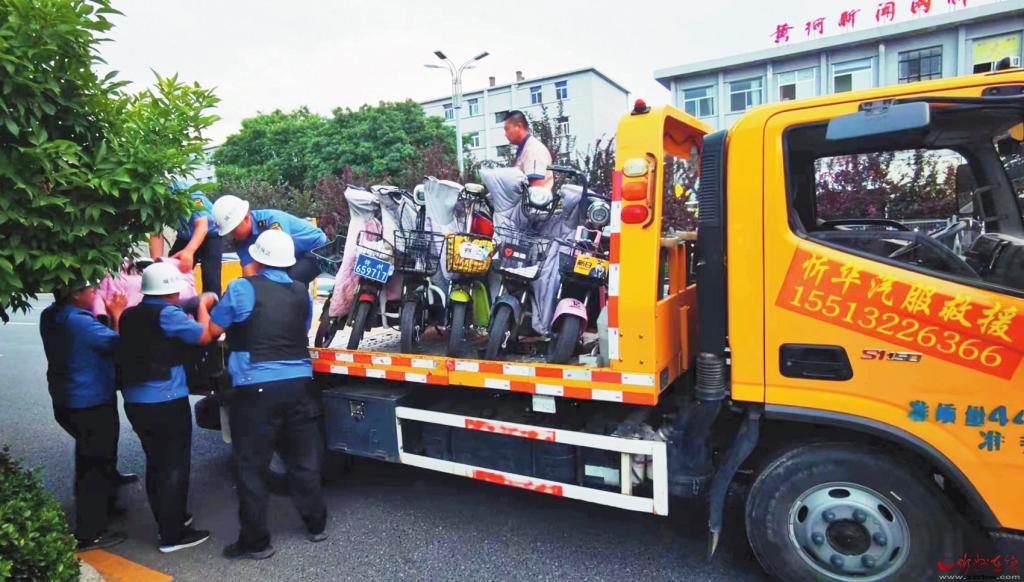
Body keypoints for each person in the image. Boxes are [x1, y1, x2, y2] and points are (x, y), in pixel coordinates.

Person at [207, 229, 327, 560]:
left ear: (257, 258)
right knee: (303, 460)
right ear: (288, 262)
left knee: (251, 466)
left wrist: (204, 304)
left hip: (255, 389)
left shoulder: (241, 288)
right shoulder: (301, 292)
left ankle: (257, 543)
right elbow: (300, 330)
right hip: (299, 384)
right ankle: (316, 525)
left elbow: (213, 330)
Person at [117, 262, 219, 553]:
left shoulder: (130, 314)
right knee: (174, 465)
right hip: (165, 400)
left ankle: (170, 517)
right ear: (172, 291)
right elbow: (204, 335)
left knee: (157, 463)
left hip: (136, 401)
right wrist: (203, 305)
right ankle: (172, 535)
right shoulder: (169, 315)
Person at [39, 281, 134, 551]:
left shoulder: (51, 315)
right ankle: (90, 533)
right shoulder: (78, 322)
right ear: (75, 295)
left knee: (96, 457)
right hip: (89, 401)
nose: (96, 293)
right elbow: (119, 345)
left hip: (67, 398)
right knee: (94, 465)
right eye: (91, 290)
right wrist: (117, 314)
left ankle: (107, 503)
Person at [211, 195, 327, 285]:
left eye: (234, 230)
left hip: (317, 250)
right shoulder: (242, 242)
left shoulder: (272, 220)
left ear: (246, 218)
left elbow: (279, 256)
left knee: (285, 282)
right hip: (294, 257)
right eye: (230, 232)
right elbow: (250, 274)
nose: (233, 235)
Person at [150, 182, 224, 296]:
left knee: (210, 277)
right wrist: (156, 263)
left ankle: (211, 305)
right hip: (185, 236)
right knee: (169, 270)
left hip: (210, 234)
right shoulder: (151, 198)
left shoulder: (187, 193)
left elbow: (202, 225)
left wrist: (189, 252)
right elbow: (156, 232)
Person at [503, 110, 554, 189]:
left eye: (507, 129)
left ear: (519, 126)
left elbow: (536, 189)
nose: (505, 134)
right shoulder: (524, 149)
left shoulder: (533, 149)